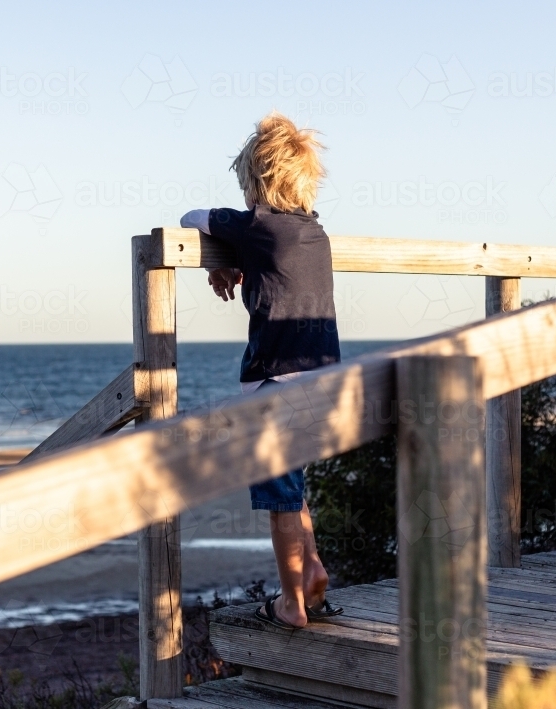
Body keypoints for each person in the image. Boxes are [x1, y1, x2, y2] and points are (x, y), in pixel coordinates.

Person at [180, 112, 343, 629]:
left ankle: (291, 604)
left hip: (274, 381)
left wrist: (217, 257)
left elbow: (191, 217)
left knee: (279, 499)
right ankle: (311, 570)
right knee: (295, 490)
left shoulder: (256, 226)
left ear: (256, 183)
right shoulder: (314, 232)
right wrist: (228, 258)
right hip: (321, 382)